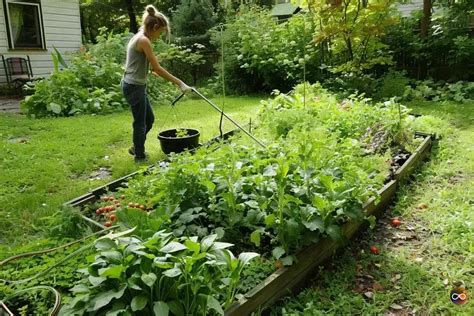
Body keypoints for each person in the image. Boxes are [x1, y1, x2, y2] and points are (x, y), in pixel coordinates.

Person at [122, 4, 191, 162]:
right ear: (154, 27)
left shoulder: (140, 36)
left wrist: (147, 71)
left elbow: (136, 62)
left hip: (135, 83)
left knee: (149, 120)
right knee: (140, 123)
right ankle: (139, 156)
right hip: (134, 86)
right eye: (160, 32)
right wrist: (180, 83)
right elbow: (158, 68)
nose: (159, 36)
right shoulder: (144, 40)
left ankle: (136, 147)